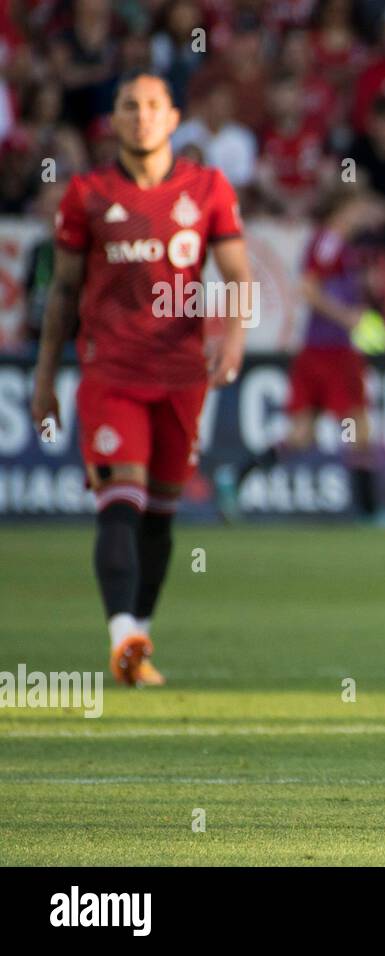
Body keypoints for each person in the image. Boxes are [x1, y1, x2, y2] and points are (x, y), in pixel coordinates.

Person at [28, 71, 251, 687]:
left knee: (160, 515)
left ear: (174, 118)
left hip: (182, 377)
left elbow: (237, 272)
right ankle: (122, 631)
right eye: (131, 106)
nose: (143, 116)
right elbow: (64, 291)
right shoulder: (87, 193)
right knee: (119, 505)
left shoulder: (208, 189)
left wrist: (233, 335)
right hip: (110, 373)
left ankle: (139, 637)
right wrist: (44, 377)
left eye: (154, 106)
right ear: (116, 120)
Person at [218, 185, 385, 523]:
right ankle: (370, 513)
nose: (364, 214)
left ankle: (236, 475)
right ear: (344, 209)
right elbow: (308, 288)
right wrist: (347, 317)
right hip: (331, 350)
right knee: (359, 428)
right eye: (359, 207)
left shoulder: (338, 245)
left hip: (321, 350)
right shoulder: (330, 240)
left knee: (302, 435)